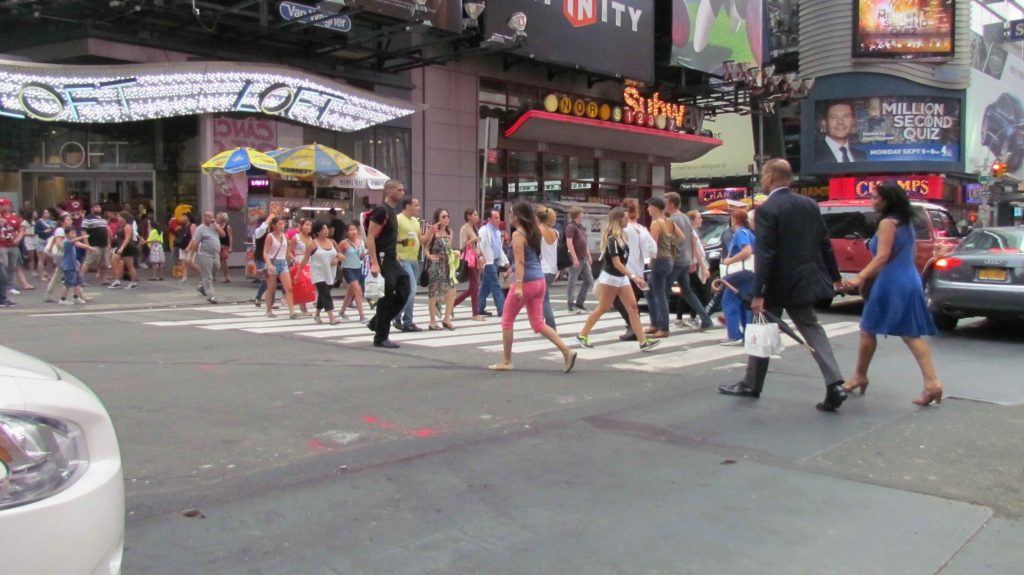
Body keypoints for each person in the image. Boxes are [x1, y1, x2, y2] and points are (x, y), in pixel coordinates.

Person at [718, 158, 848, 412]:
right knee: (811, 328)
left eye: (763, 176)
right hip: (804, 280)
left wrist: (758, 292)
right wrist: (835, 276)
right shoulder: (810, 205)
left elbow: (766, 253)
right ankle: (835, 382)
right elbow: (824, 243)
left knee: (762, 327)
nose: (761, 181)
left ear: (770, 177)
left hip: (776, 284)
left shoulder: (768, 209)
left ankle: (752, 383)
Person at [840, 184, 943, 406]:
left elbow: (882, 257)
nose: (872, 201)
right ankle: (931, 382)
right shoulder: (905, 222)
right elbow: (907, 255)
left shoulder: (887, 223)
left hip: (891, 283)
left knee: (868, 329)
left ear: (886, 200)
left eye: (875, 197)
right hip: (909, 280)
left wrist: (859, 277)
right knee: (911, 334)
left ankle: (859, 376)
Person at [488, 202, 577, 373]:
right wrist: (512, 269)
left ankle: (506, 361)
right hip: (539, 281)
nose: (509, 216)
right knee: (537, 323)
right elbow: (530, 258)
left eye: (511, 213)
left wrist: (518, 285)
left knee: (507, 320)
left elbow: (521, 261)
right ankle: (567, 351)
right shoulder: (534, 232)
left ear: (518, 216)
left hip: (526, 282)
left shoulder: (518, 234)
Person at [576, 208, 660, 351]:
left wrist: (633, 275)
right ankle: (582, 334)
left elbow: (625, 261)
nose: (627, 220)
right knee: (603, 308)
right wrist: (634, 277)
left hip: (622, 278)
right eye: (625, 218)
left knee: (633, 308)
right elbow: (617, 263)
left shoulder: (623, 236)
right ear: (618, 220)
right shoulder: (612, 239)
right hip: (611, 277)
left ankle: (643, 341)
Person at [366, 179, 412, 348]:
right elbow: (371, 237)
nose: (402, 193)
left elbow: (387, 237)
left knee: (405, 288)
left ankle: (377, 322)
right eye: (399, 190)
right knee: (386, 297)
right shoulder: (381, 210)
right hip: (383, 259)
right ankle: (380, 337)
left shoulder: (392, 211)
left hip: (392, 259)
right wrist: (374, 262)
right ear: (388, 191)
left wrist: (398, 248)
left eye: (403, 190)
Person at [664, 192, 713, 330]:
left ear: (671, 204)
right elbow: (693, 240)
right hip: (686, 260)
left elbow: (669, 241)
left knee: (663, 289)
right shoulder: (685, 218)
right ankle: (706, 319)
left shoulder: (672, 220)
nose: (664, 205)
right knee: (687, 291)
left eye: (665, 203)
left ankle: (662, 323)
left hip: (676, 260)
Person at [611, 198, 656, 340]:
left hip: (625, 269)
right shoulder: (642, 229)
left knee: (618, 299)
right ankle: (634, 328)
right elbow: (653, 249)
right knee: (632, 301)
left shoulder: (623, 229)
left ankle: (633, 327)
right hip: (638, 268)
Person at [645, 197, 684, 339]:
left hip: (659, 260)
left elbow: (653, 245)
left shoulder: (656, 223)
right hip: (668, 259)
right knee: (649, 291)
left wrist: (651, 260)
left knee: (659, 293)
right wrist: (670, 244)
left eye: (649, 206)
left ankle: (663, 327)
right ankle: (654, 324)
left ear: (655, 207)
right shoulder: (669, 221)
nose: (648, 209)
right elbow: (682, 237)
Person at [719, 208, 756, 345]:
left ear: (734, 219)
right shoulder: (749, 232)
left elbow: (746, 251)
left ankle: (734, 335)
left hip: (738, 274)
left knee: (729, 302)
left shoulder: (740, 233)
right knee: (744, 303)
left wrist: (730, 260)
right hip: (749, 273)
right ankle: (747, 335)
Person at [422, 208, 457, 331]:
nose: (446, 218)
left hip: (447, 265)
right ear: (438, 218)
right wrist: (429, 256)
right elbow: (425, 247)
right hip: (435, 265)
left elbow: (449, 248)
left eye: (447, 216)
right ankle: (432, 321)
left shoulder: (450, 232)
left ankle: (446, 319)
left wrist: (454, 255)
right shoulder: (434, 231)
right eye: (443, 216)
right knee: (434, 292)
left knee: (452, 290)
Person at [394, 196, 424, 333]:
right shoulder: (398, 219)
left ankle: (405, 320)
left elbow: (420, 240)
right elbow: (392, 238)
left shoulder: (416, 221)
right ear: (407, 206)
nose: (419, 208)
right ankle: (399, 316)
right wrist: (396, 254)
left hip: (414, 259)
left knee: (410, 291)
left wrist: (430, 233)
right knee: (411, 289)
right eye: (416, 205)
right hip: (403, 259)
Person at [453, 208, 485, 321]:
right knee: (475, 286)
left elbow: (477, 246)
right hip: (469, 259)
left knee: (473, 288)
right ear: (468, 216)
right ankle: (475, 314)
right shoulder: (464, 228)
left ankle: (452, 304)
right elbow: (462, 246)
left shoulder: (475, 228)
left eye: (477, 215)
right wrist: (473, 240)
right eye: (475, 215)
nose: (477, 217)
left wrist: (482, 255)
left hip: (476, 259)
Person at [308, 221, 342, 325]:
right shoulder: (313, 244)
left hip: (330, 272)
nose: (326, 230)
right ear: (317, 231)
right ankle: (332, 317)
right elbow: (305, 259)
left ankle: (317, 314)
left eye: (326, 228)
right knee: (325, 293)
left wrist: (336, 259)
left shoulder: (332, 242)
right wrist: (298, 273)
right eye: (323, 228)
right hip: (317, 272)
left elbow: (341, 255)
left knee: (323, 294)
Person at [263, 216, 297, 319]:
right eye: (280, 224)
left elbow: (287, 250)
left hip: (283, 263)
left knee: (289, 288)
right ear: (274, 226)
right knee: (271, 288)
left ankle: (292, 311)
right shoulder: (270, 236)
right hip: (273, 262)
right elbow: (265, 252)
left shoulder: (285, 236)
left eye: (283, 224)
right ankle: (268, 310)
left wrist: (289, 260)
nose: (282, 226)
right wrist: (269, 264)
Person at [477, 209, 508, 319]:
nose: (499, 220)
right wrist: (481, 259)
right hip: (488, 262)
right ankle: (502, 309)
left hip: (496, 261)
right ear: (489, 219)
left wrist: (506, 261)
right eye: (496, 218)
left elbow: (499, 249)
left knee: (486, 287)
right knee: (496, 285)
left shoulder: (498, 232)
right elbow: (479, 245)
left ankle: (479, 307)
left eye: (499, 217)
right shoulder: (484, 230)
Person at [564, 206, 593, 313]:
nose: (583, 215)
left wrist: (588, 255)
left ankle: (579, 303)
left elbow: (584, 242)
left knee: (589, 280)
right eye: (582, 213)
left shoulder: (580, 227)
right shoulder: (571, 227)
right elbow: (569, 242)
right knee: (572, 281)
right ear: (578, 215)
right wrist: (574, 258)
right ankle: (570, 305)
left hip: (583, 258)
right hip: (576, 258)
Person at [57, 227, 96, 305]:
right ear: (67, 234)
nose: (74, 234)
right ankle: (62, 299)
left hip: (74, 266)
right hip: (68, 267)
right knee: (67, 284)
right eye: (72, 233)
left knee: (78, 282)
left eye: (75, 233)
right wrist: (83, 237)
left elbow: (74, 252)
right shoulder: (66, 242)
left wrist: (76, 262)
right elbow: (74, 241)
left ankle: (76, 297)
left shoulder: (72, 243)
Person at [0, 197, 32, 294]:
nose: (1, 207)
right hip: (2, 245)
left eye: (3, 205)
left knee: (12, 266)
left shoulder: (14, 218)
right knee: (4, 265)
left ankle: (9, 286)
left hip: (13, 245)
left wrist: (18, 238)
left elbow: (21, 230)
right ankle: (3, 286)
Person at [189, 211, 222, 304]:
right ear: (204, 217)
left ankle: (202, 286)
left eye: (212, 217)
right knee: (207, 275)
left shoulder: (214, 227)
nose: (211, 219)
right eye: (209, 217)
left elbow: (223, 234)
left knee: (216, 267)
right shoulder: (200, 229)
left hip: (215, 253)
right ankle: (211, 295)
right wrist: (191, 256)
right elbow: (195, 243)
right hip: (205, 254)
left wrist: (217, 226)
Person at [338, 223, 368, 322]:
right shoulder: (344, 243)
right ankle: (362, 316)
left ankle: (342, 312)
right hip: (348, 268)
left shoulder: (361, 242)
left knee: (350, 292)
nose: (353, 232)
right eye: (350, 230)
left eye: (354, 229)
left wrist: (366, 253)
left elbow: (361, 257)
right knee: (358, 290)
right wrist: (341, 258)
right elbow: (337, 254)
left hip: (358, 268)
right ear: (347, 232)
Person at [536, 206, 560, 329]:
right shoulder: (555, 232)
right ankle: (541, 322)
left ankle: (550, 325)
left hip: (542, 269)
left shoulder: (538, 231)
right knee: (542, 297)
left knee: (544, 299)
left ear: (537, 218)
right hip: (553, 269)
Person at [43, 214, 72, 302]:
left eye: (70, 219)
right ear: (62, 222)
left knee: (58, 273)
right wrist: (67, 249)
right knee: (72, 273)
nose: (70, 221)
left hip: (62, 255)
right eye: (68, 220)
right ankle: (75, 295)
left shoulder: (65, 230)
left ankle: (48, 294)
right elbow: (59, 243)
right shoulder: (60, 230)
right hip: (61, 255)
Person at [289, 218, 315, 316]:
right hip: (299, 262)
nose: (308, 227)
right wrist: (294, 259)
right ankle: (303, 308)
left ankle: (304, 305)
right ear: (301, 226)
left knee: (308, 285)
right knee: (302, 285)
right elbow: (289, 252)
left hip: (309, 263)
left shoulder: (311, 238)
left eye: (310, 225)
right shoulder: (296, 237)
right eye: (306, 225)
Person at [81, 203, 111, 285]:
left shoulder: (103, 219)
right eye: (96, 207)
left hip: (104, 244)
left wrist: (108, 243)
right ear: (92, 209)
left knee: (103, 263)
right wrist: (87, 245)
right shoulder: (87, 219)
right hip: (93, 244)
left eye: (99, 207)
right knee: (88, 262)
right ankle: (80, 279)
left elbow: (106, 232)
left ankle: (103, 279)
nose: (98, 208)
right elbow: (84, 232)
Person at [108, 211, 139, 289]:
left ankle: (133, 282)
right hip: (119, 246)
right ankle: (117, 280)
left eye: (119, 217)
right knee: (113, 261)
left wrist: (122, 247)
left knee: (129, 265)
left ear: (123, 218)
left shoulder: (128, 226)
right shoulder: (121, 225)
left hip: (127, 247)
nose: (118, 218)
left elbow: (127, 238)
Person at [34, 208, 56, 280]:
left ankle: (49, 275)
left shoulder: (51, 222)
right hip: (41, 241)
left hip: (50, 241)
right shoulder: (39, 222)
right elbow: (36, 232)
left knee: (50, 260)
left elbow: (54, 230)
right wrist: (44, 231)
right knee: (41, 259)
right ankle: (41, 276)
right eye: (45, 212)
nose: (47, 214)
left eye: (48, 212)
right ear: (42, 214)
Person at [20, 209, 38, 279]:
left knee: (37, 255)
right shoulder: (25, 222)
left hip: (36, 239)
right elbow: (22, 232)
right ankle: (32, 271)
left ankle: (37, 269)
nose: (36, 214)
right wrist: (29, 234)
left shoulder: (35, 221)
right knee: (31, 256)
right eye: (34, 213)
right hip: (29, 240)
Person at [216, 212, 233, 283]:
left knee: (223, 261)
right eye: (217, 218)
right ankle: (226, 276)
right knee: (221, 261)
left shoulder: (227, 227)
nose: (217, 219)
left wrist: (230, 247)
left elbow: (230, 237)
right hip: (218, 245)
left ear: (222, 219)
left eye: (218, 218)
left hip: (225, 245)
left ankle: (226, 276)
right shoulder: (216, 226)